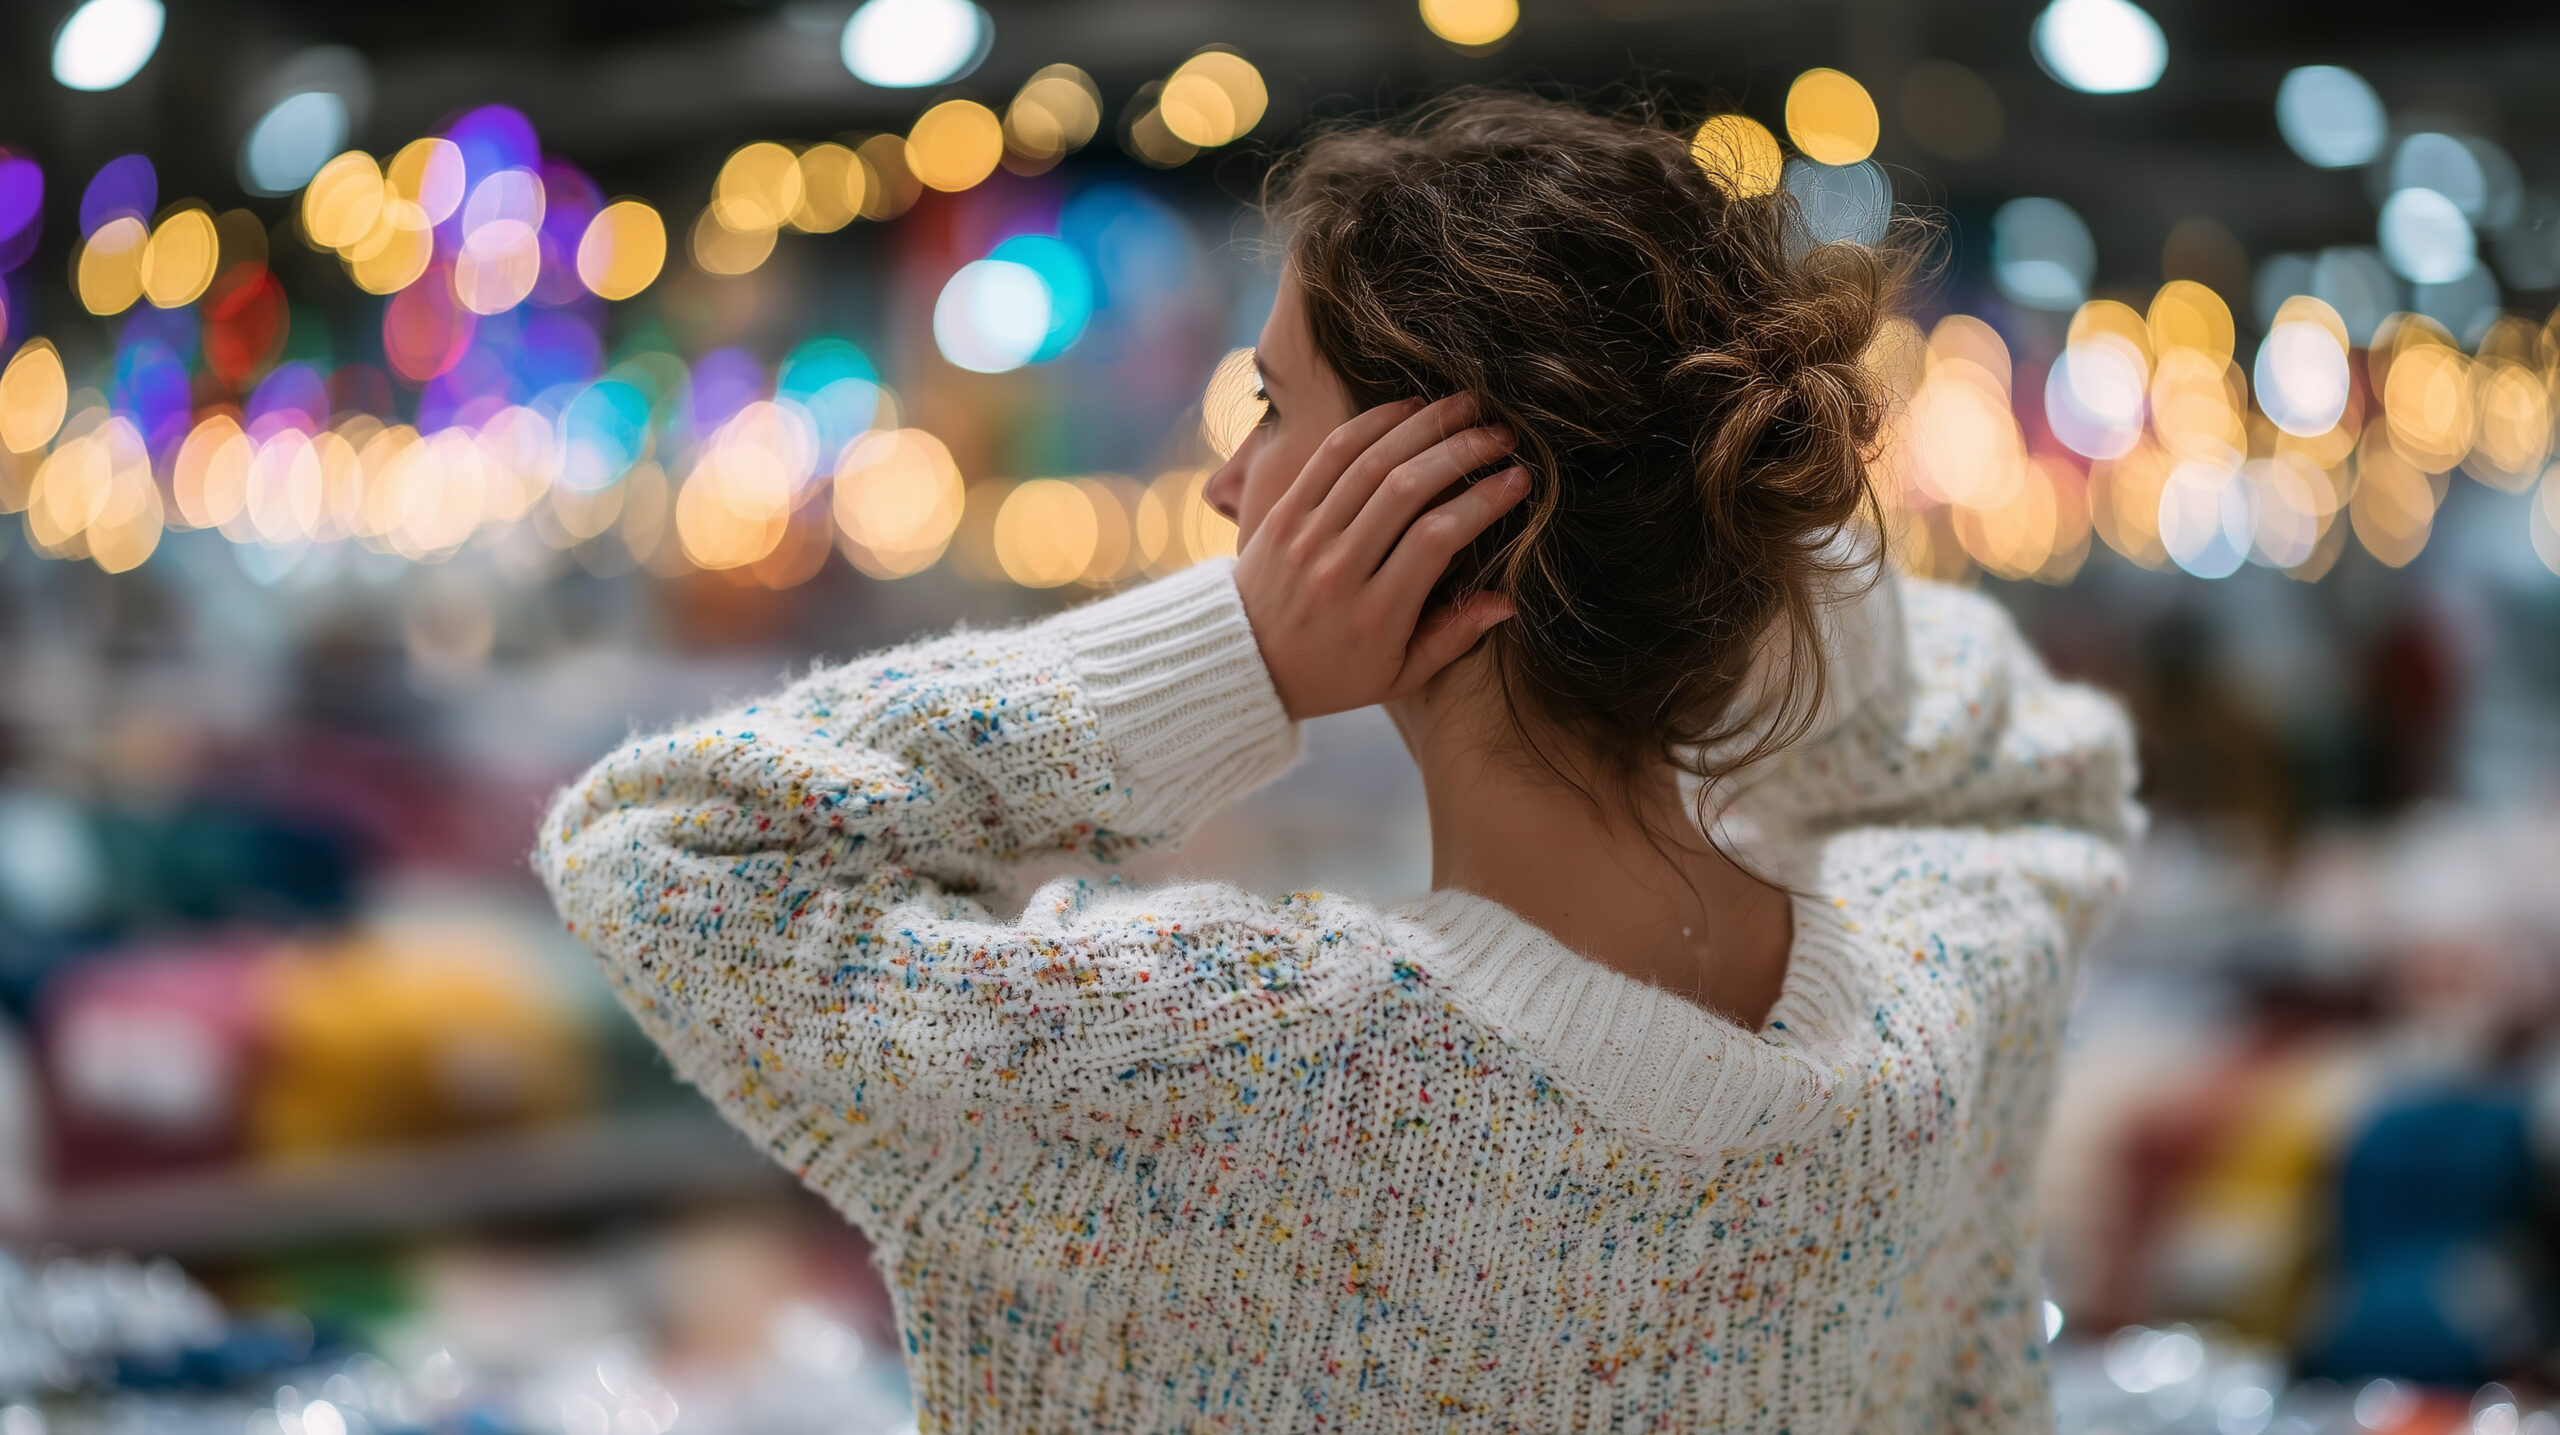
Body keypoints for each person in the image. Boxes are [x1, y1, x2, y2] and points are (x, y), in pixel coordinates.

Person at [536, 92, 2139, 1433]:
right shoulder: (1939, 1006)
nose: (1233, 487)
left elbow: (671, 846)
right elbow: (2033, 769)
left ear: (1427, 501)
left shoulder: (1218, 1066)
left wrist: (1229, 658)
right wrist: (1720, 577)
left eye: (1272, 407)